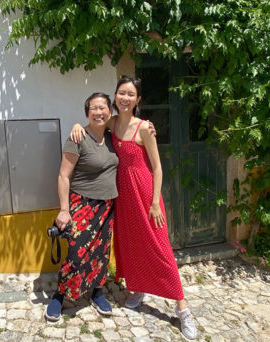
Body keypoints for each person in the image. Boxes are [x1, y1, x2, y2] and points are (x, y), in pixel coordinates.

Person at [70, 76, 197, 339]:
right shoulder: (113, 123)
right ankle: (138, 289)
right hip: (123, 196)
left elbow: (158, 167)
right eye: (121, 93)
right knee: (131, 244)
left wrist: (155, 201)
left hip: (145, 193)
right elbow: (92, 125)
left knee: (160, 248)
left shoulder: (144, 129)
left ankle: (182, 308)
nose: (125, 98)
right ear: (115, 96)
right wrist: (75, 126)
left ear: (138, 100)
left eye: (131, 94)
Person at [45, 92, 119, 321]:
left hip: (107, 207)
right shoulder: (77, 138)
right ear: (87, 112)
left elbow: (130, 123)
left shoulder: (112, 136)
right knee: (76, 254)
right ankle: (60, 295)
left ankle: (97, 292)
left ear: (110, 111)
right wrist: (64, 210)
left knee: (101, 253)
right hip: (82, 205)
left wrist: (148, 127)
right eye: (94, 108)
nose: (99, 112)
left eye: (103, 107)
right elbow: (63, 176)